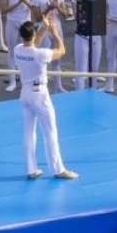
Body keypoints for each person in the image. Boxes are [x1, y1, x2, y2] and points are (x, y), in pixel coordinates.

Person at [13, 18, 78, 180]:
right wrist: (54, 32)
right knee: (50, 131)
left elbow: (34, 41)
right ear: (32, 34)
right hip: (39, 94)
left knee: (28, 131)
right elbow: (61, 51)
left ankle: (31, 169)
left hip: (25, 93)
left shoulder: (18, 49)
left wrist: (44, 27)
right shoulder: (40, 54)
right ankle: (58, 169)